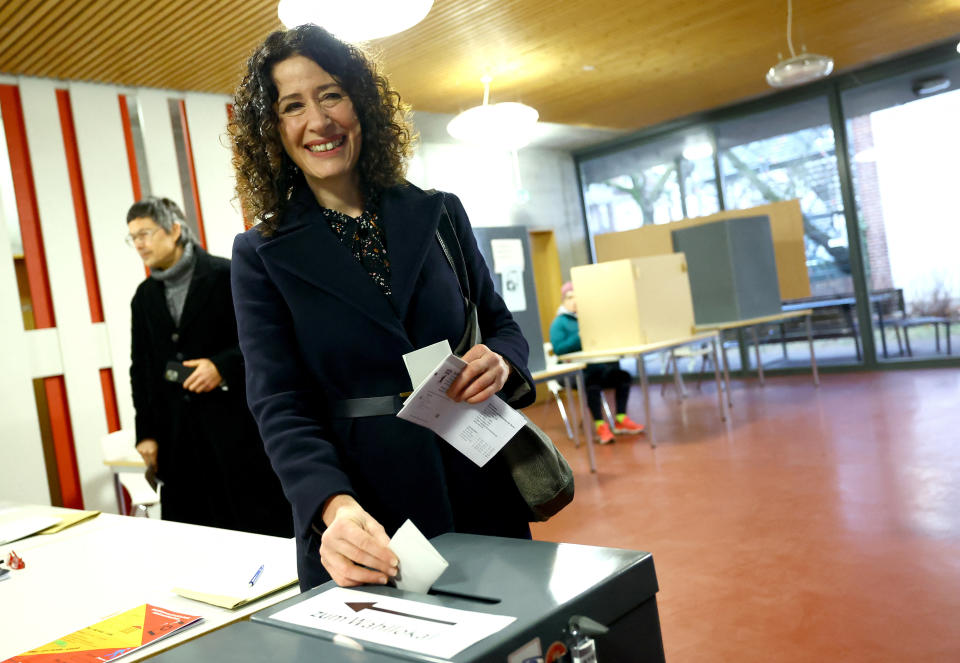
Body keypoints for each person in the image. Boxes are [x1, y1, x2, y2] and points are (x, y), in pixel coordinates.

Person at [228, 25, 536, 591]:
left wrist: (503, 361)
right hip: (365, 507)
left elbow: (499, 323)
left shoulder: (439, 213)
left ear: (361, 104)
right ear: (274, 131)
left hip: (475, 473)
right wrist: (332, 506)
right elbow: (279, 404)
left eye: (331, 95)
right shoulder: (260, 255)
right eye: (293, 106)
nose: (318, 121)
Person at [127, 196, 292, 537]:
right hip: (177, 437)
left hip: (235, 429)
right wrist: (146, 432)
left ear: (174, 230)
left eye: (145, 233)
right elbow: (140, 369)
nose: (139, 244)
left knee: (254, 525)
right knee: (192, 536)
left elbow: (267, 340)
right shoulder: (144, 297)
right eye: (133, 237)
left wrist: (222, 367)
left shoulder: (227, 275)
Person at [550, 281, 645, 444]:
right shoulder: (559, 323)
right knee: (591, 382)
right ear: (563, 300)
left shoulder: (589, 318)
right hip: (570, 372)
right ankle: (600, 426)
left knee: (623, 376)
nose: (574, 301)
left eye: (577, 298)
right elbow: (559, 349)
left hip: (597, 367)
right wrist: (581, 334)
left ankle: (621, 419)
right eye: (570, 297)